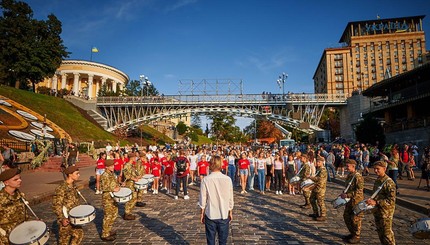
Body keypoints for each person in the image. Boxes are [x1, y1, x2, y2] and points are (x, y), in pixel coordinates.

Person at [198, 156, 234, 245]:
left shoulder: (206, 180)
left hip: (210, 213)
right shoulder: (227, 179)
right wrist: (230, 211)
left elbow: (203, 198)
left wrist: (202, 212)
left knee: (210, 241)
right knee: (223, 241)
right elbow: (230, 198)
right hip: (223, 213)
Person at [365, 161, 396, 245]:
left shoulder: (389, 183)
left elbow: (391, 201)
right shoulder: (378, 180)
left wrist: (376, 202)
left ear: (384, 169)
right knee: (380, 233)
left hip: (386, 212)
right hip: (378, 210)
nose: (375, 171)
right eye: (374, 169)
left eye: (378, 169)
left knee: (387, 235)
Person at [52, 166, 84, 244]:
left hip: (74, 217)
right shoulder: (62, 188)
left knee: (79, 234)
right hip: (66, 219)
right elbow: (56, 205)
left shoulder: (73, 186)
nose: (79, 175)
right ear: (70, 175)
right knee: (64, 241)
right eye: (77, 173)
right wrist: (62, 218)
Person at [0, 168, 28, 244]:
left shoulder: (20, 196)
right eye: (15, 179)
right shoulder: (1, 198)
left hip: (21, 236)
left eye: (20, 178)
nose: (20, 180)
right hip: (5, 239)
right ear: (6, 182)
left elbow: (25, 215)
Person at [341, 159, 364, 244]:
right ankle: (352, 233)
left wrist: (348, 195)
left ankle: (357, 236)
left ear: (353, 166)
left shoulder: (358, 176)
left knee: (355, 219)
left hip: (356, 201)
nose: (346, 168)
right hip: (349, 200)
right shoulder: (350, 175)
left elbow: (359, 190)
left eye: (348, 166)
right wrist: (344, 193)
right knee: (346, 216)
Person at [100, 159, 120, 241]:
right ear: (106, 167)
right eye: (111, 166)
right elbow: (103, 187)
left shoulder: (111, 174)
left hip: (113, 198)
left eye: (113, 165)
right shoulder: (104, 175)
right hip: (107, 198)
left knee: (114, 214)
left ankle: (109, 230)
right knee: (108, 216)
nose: (113, 167)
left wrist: (119, 185)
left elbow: (114, 183)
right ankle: (105, 234)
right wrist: (113, 189)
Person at [308, 156, 327, 221]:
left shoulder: (323, 170)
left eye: (319, 162)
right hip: (316, 187)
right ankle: (315, 213)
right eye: (317, 162)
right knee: (311, 199)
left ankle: (323, 215)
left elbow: (319, 179)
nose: (317, 163)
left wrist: (311, 177)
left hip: (320, 188)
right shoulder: (319, 169)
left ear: (322, 162)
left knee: (320, 202)